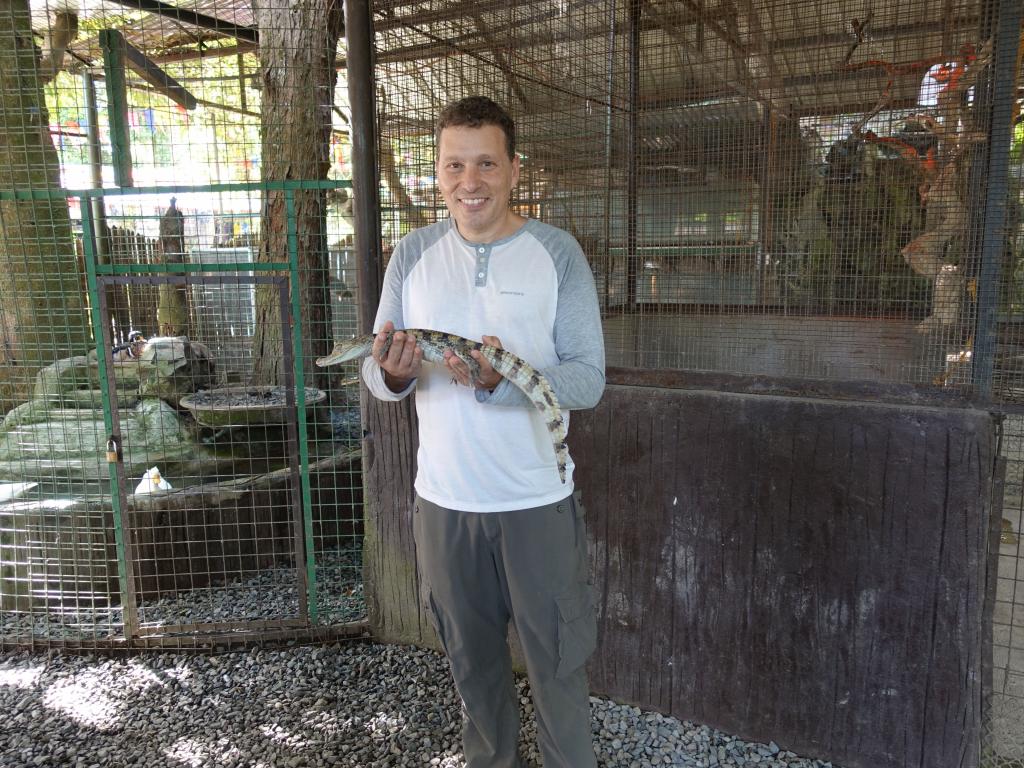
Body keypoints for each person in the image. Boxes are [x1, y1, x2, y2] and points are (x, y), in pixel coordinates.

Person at [361, 96, 605, 768]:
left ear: (514, 169)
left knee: (557, 669)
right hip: (445, 505)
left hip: (537, 503)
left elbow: (589, 379)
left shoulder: (556, 254)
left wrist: (505, 383)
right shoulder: (412, 254)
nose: (470, 181)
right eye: (454, 165)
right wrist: (396, 374)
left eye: (486, 164)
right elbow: (377, 372)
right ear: (437, 174)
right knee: (474, 670)